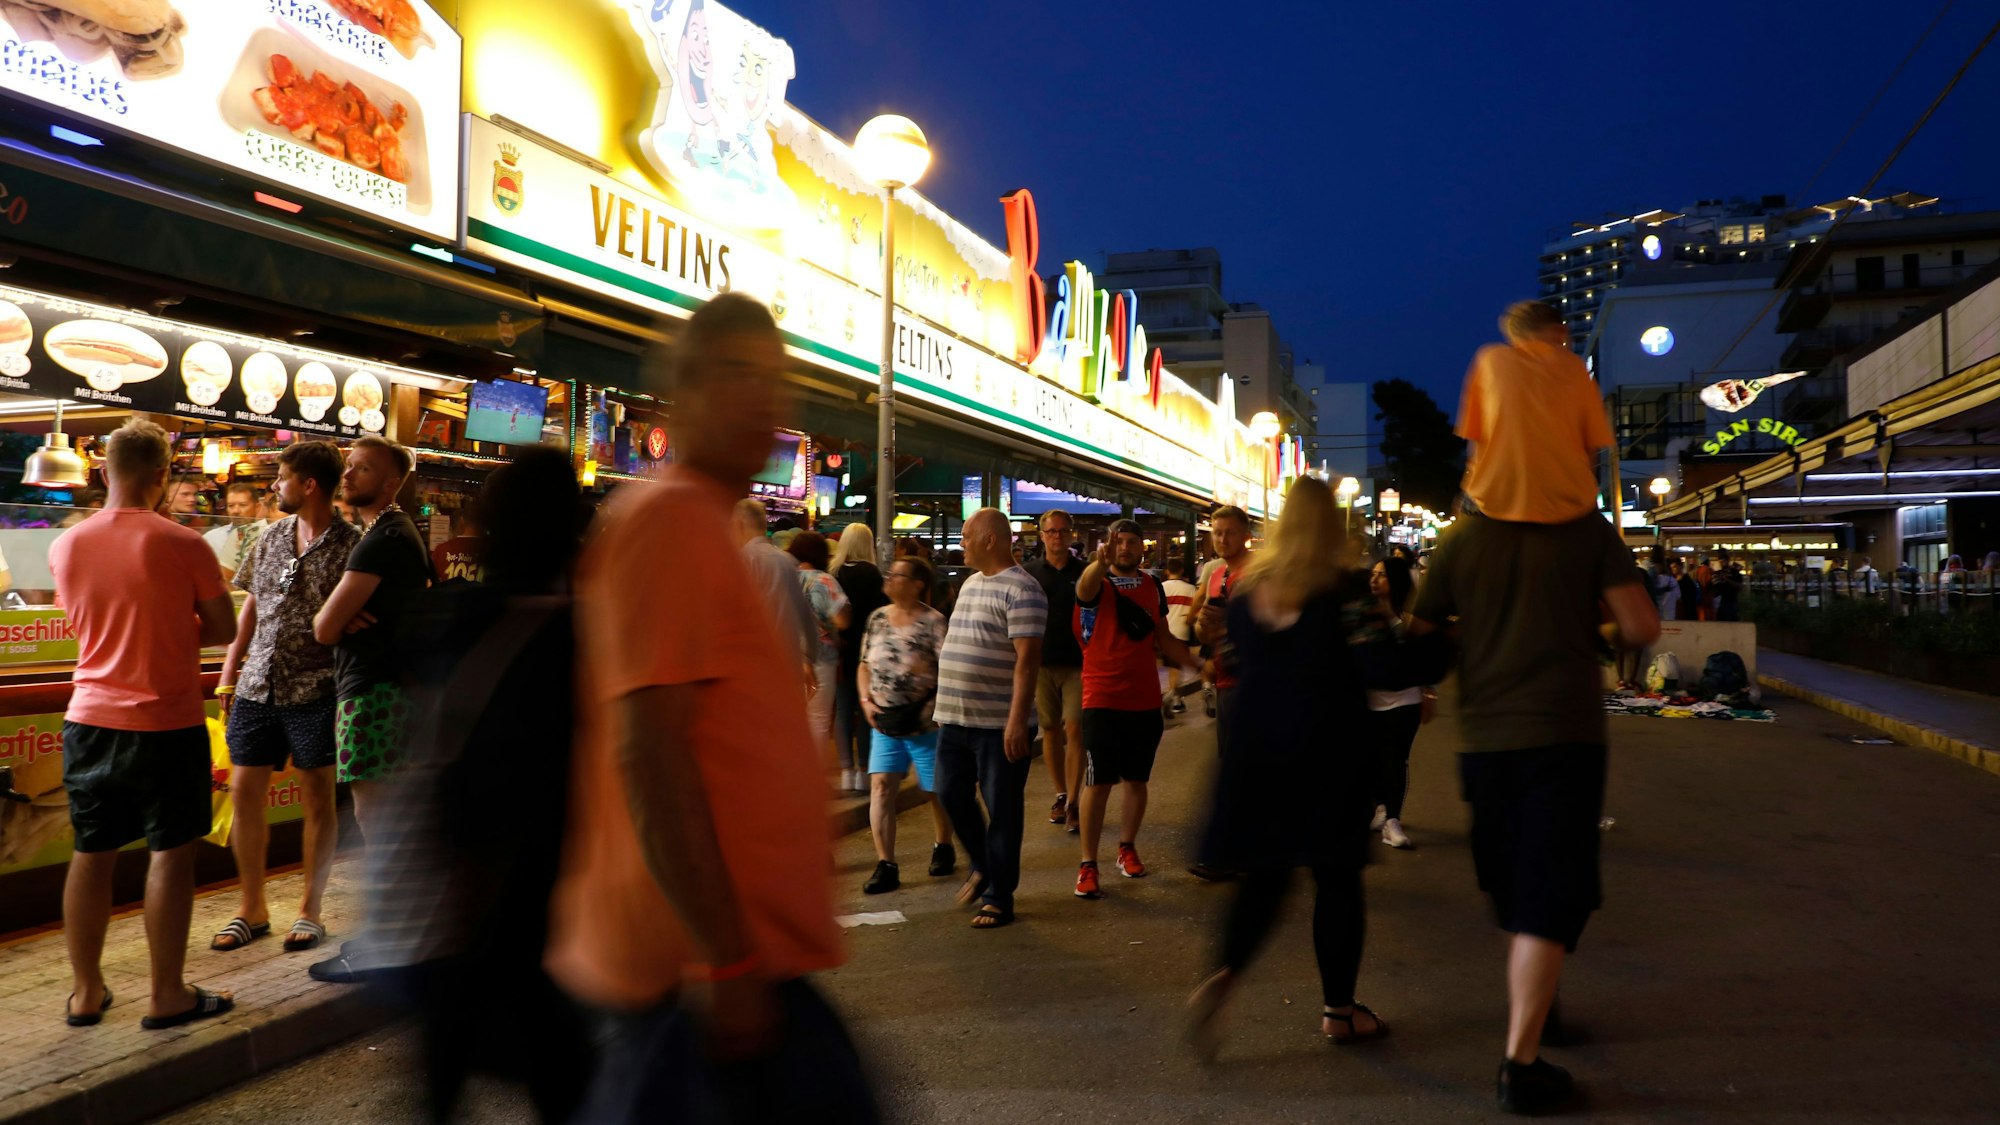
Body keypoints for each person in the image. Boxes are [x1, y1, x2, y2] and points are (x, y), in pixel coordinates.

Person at [546, 294, 876, 1121]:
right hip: (694, 980)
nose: (765, 402)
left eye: (775, 380)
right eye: (739, 376)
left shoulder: (702, 530)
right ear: (684, 393)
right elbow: (647, 757)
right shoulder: (667, 524)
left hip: (730, 967)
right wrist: (724, 961)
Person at [1408, 489, 1660, 1114]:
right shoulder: (1586, 528)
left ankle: (1541, 1006)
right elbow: (1639, 626)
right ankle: (1520, 1063)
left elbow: (1421, 637)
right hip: (1561, 732)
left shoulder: (1458, 539)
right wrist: (1580, 626)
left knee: (1515, 882)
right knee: (1552, 886)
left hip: (1484, 737)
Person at [1185, 478, 1446, 1056]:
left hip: (1256, 757)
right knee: (1335, 880)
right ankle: (1339, 1010)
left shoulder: (1251, 591)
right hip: (1326, 756)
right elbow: (1382, 666)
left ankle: (1224, 977)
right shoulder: (1344, 590)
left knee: (1266, 876)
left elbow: (1223, 659)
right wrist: (1443, 643)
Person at [370, 447, 592, 1123]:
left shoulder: (451, 615)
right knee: (564, 1078)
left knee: (443, 1070)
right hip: (543, 909)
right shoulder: (579, 636)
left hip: (446, 902)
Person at [49, 419, 239, 1029]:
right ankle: (166, 995)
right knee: (170, 854)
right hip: (166, 719)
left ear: (103, 471)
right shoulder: (184, 543)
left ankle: (85, 993)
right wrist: (171, 626)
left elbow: (84, 623)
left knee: (91, 852)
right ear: (161, 477)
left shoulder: (66, 545)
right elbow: (223, 631)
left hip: (89, 718)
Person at [212, 441, 359, 957]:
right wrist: (230, 672)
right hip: (257, 683)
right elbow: (250, 609)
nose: (275, 486)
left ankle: (309, 910)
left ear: (309, 485)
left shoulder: (351, 543)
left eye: (282, 477)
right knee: (243, 792)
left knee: (318, 799)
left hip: (317, 687)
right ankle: (252, 908)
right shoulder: (271, 534)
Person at [1070, 520, 1199, 900]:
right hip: (1102, 699)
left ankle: (1126, 848)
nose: (1124, 547)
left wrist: (1201, 666)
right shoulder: (1097, 582)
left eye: (1131, 542)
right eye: (1118, 542)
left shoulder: (1152, 586)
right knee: (1098, 782)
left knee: (1137, 781)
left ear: (1142, 548)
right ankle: (1088, 865)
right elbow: (1084, 590)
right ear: (1109, 546)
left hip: (1144, 700)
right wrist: (1098, 562)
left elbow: (1165, 640)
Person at [935, 507, 1046, 930]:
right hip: (956, 719)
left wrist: (1017, 721)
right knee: (949, 794)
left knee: (1002, 810)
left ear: (989, 540)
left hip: (999, 724)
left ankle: (1000, 896)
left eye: (965, 536)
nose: (960, 543)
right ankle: (984, 864)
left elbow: (1027, 661)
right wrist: (945, 709)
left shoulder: (1023, 590)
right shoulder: (969, 585)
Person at [1455, 301, 1614, 523]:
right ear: (1561, 331)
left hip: (1495, 498)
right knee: (1613, 554)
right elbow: (1591, 450)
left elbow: (1475, 443)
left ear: (1514, 335)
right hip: (1569, 501)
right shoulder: (1575, 367)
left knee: (1451, 551)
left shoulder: (1490, 359)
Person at [856, 556, 954, 894]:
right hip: (884, 721)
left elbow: (948, 670)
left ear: (916, 584)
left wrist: (936, 708)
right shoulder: (877, 619)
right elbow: (864, 665)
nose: (889, 578)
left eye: (896, 575)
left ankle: (944, 843)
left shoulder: (934, 622)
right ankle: (886, 863)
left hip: (924, 723)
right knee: (882, 786)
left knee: (935, 790)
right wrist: (866, 701)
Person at [1023, 509, 1085, 832]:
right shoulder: (1029, 572)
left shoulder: (1085, 573)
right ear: (1042, 535)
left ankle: (1075, 800)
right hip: (1041, 663)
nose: (1057, 536)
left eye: (1063, 531)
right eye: (1051, 531)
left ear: (1071, 534)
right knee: (1050, 729)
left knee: (1074, 727)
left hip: (1078, 664)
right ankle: (1061, 793)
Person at [1365, 557, 1434, 850]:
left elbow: (1421, 654)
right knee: (1372, 757)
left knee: (1395, 758)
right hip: (1369, 698)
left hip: (1405, 698)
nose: (1374, 579)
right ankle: (1381, 807)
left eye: (1382, 575)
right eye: (1373, 574)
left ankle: (1393, 819)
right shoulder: (1361, 614)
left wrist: (1429, 692)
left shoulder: (1409, 618)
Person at [831, 523, 889, 795]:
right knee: (866, 711)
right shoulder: (874, 575)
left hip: (840, 651)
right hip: (868, 653)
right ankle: (866, 770)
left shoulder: (834, 574)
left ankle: (846, 772)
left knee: (843, 711)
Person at [733, 498, 818, 684]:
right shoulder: (788, 561)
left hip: (754, 667)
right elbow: (805, 614)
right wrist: (807, 658)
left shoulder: (741, 562)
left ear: (739, 525)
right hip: (788, 665)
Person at [789, 531, 851, 782]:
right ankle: (810, 779)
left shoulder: (785, 576)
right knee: (817, 719)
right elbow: (842, 620)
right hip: (820, 656)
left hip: (785, 654)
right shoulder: (824, 581)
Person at [204, 481, 266, 581]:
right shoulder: (211, 538)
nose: (236, 511)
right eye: (231, 506)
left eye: (242, 505)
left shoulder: (268, 535)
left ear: (257, 507)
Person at [1161, 556, 1200, 714]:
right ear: (1182, 570)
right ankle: (1173, 697)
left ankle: (1174, 697)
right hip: (1182, 631)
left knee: (1172, 667)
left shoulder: (1161, 587)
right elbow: (1195, 611)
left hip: (1165, 632)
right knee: (1176, 667)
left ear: (1167, 571)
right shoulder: (1190, 589)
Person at [430, 509, 486, 584]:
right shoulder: (492, 550)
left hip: (446, 595)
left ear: (461, 521)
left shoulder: (441, 550)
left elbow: (430, 585)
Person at [1710, 549, 1744, 622]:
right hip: (1721, 604)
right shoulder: (1718, 573)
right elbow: (1715, 591)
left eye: (1723, 558)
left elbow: (1740, 586)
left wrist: (1727, 580)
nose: (1721, 561)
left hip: (1731, 603)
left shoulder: (1734, 572)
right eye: (1720, 559)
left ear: (1728, 559)